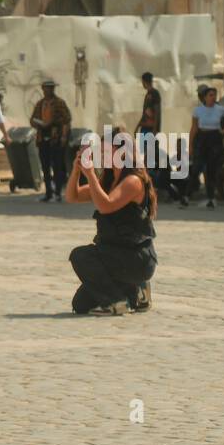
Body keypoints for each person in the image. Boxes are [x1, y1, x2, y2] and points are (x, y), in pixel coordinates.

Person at [64, 130, 157, 315]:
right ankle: (136, 293)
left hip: (135, 257)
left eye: (107, 150)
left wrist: (90, 174)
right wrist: (76, 170)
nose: (102, 154)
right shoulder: (107, 179)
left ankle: (118, 301)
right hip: (114, 254)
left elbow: (106, 205)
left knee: (80, 256)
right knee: (80, 304)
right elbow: (72, 196)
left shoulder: (133, 180)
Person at [184, 86, 224, 209]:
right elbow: (194, 128)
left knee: (211, 170)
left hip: (214, 138)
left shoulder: (220, 109)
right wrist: (190, 145)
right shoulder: (198, 111)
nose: (213, 97)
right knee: (196, 168)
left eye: (214, 95)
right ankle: (186, 196)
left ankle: (211, 198)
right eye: (210, 95)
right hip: (202, 138)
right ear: (205, 97)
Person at [30, 79, 72, 202]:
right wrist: (38, 123)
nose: (49, 90)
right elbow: (33, 119)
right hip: (42, 137)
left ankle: (57, 193)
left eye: (51, 88)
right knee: (45, 165)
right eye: (47, 88)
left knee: (57, 166)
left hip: (56, 137)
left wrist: (64, 136)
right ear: (43, 89)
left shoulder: (59, 103)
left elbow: (66, 121)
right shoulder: (40, 104)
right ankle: (48, 192)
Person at [134, 72, 172, 200]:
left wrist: (155, 129)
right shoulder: (148, 95)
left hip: (150, 129)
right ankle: (145, 182)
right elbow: (145, 113)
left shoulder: (155, 94)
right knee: (144, 154)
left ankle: (150, 184)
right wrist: (138, 126)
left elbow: (157, 112)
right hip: (145, 128)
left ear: (144, 81)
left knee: (150, 155)